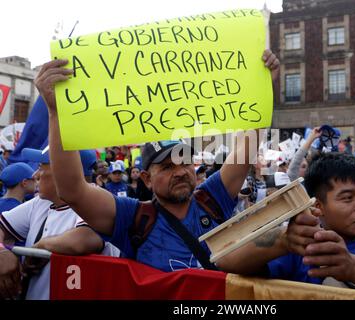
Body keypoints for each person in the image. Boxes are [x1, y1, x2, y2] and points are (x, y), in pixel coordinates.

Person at [35, 49, 280, 272]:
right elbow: (72, 190)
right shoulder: (132, 218)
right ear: (146, 178)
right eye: (167, 166)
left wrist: (262, 88)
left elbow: (244, 151)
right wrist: (56, 113)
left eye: (185, 162)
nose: (181, 171)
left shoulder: (212, 198)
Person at [218, 153, 355, 298]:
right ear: (318, 205)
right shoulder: (301, 244)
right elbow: (226, 261)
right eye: (347, 198)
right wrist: (283, 241)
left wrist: (353, 268)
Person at [0, 147, 107, 300]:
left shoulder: (100, 200)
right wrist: (2, 252)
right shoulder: (41, 202)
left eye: (41, 167)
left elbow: (84, 239)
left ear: (64, 172)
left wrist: (40, 246)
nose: (35, 175)